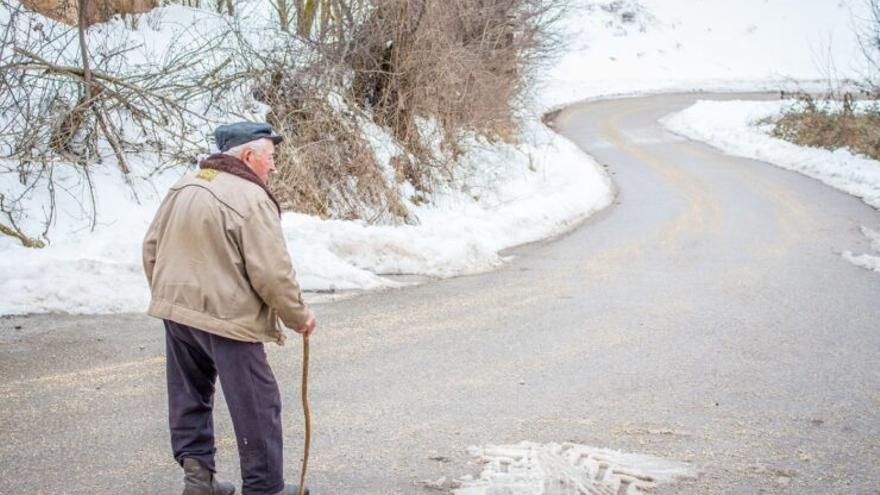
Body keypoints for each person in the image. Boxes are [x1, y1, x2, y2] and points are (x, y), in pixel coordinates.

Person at [142, 122, 315, 495]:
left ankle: (198, 480)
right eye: (270, 158)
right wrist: (298, 316)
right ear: (249, 156)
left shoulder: (185, 185)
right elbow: (272, 272)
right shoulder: (251, 198)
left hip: (178, 312)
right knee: (257, 404)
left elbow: (151, 247)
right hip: (227, 318)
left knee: (190, 395)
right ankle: (264, 488)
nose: (273, 167)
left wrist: (170, 295)